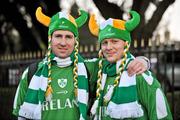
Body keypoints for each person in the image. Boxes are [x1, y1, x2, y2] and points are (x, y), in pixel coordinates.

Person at [12, 7, 150, 120]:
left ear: (75, 40)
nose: (63, 42)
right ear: (50, 39)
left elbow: (118, 59)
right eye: (58, 36)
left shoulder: (89, 67)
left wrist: (142, 61)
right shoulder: (32, 72)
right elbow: (20, 114)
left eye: (69, 37)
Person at [88, 10, 173, 120]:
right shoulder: (99, 71)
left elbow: (161, 115)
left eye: (114, 41)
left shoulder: (139, 73)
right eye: (105, 42)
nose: (108, 47)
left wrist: (144, 61)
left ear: (126, 44)